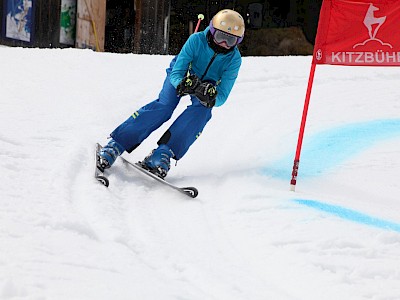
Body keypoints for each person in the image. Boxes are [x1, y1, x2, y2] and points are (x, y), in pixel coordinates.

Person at [97, 9, 245, 178]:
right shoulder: (196, 40)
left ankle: (163, 153)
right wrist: (182, 83)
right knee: (164, 106)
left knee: (203, 111)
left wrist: (211, 97)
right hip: (183, 74)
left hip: (207, 84)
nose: (224, 43)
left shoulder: (234, 59)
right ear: (212, 31)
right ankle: (116, 143)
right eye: (220, 37)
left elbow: (222, 96)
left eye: (231, 40)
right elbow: (176, 72)